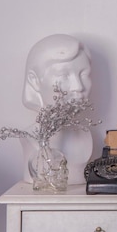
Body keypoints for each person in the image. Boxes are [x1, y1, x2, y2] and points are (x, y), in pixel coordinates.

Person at [20, 34, 94, 185]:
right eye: (64, 75)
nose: (78, 87)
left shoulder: (88, 136)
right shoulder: (29, 139)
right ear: (35, 80)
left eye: (84, 74)